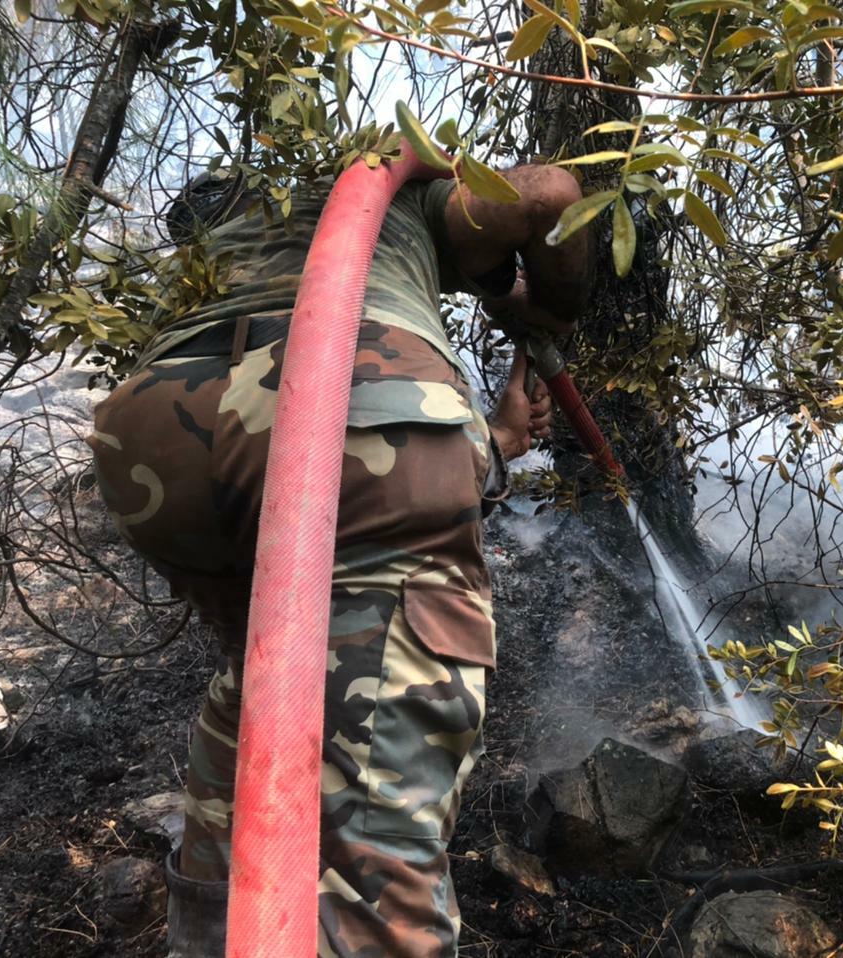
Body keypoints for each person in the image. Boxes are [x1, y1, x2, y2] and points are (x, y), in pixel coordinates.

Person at [87, 158, 591, 957]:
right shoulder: (401, 186)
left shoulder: (238, 203)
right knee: (369, 859)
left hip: (155, 434)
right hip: (355, 395)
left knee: (268, 686)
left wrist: (493, 446)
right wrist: (548, 307)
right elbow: (550, 196)